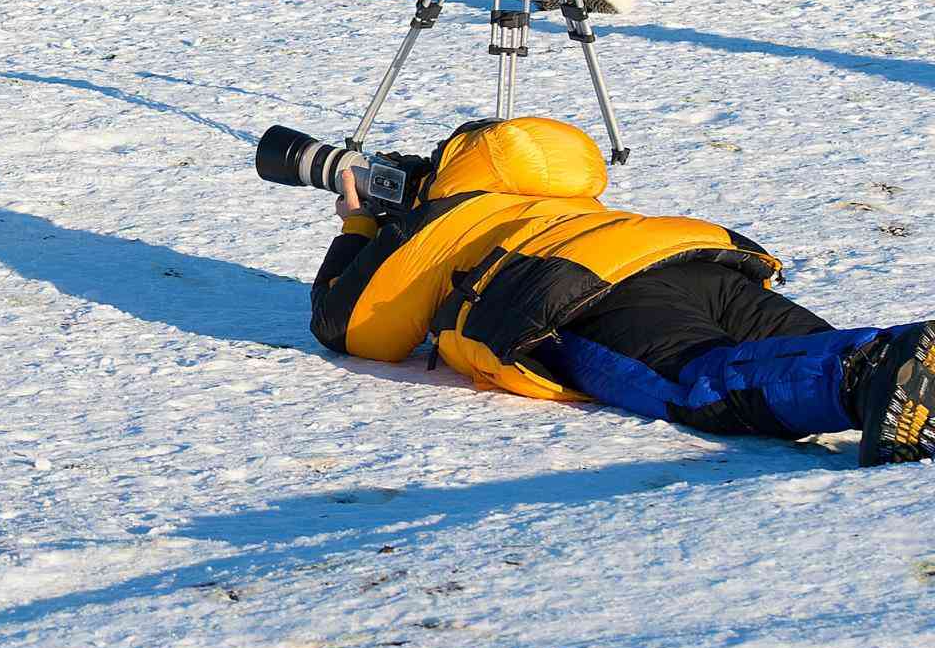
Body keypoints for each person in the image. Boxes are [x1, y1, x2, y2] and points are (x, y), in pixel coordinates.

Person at [310, 117, 935, 466]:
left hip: (579, 294)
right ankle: (891, 368)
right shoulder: (571, 202)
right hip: (693, 256)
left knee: (702, 382)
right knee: (815, 353)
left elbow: (359, 331)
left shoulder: (446, 219)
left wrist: (362, 223)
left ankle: (862, 376)